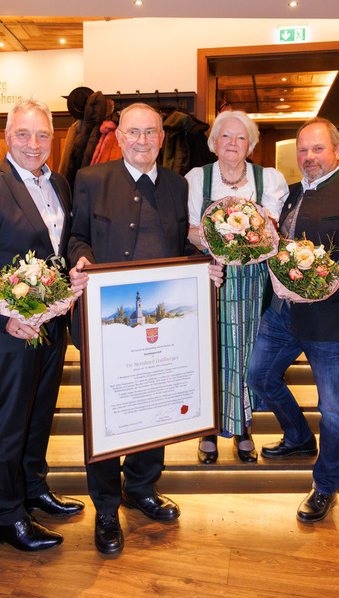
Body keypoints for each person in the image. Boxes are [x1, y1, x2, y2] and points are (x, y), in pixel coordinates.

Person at [68, 102, 222, 556]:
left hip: (158, 325)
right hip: (107, 325)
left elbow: (179, 248)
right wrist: (81, 260)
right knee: (106, 414)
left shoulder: (177, 184)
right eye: (133, 132)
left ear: (161, 138)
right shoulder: (90, 179)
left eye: (150, 132)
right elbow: (76, 237)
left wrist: (204, 268)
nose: (142, 140)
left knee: (154, 404)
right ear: (119, 137)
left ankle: (141, 488)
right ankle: (105, 508)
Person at [0, 99, 84, 552]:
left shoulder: (59, 183)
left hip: (51, 324)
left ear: (53, 139)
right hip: (8, 330)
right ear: (8, 137)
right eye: (24, 134)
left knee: (40, 413)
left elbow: (60, 247)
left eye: (42, 135)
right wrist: (2, 315)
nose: (33, 144)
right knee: (9, 422)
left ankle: (33, 489)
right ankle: (6, 517)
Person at [247, 117, 339, 522]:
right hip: (281, 314)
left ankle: (325, 486)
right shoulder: (289, 194)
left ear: (337, 150)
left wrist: (330, 284)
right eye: (303, 150)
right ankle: (299, 437)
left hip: (331, 322)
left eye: (317, 148)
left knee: (334, 410)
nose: (309, 157)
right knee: (258, 377)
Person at [186, 110, 288, 464]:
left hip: (252, 282)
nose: (232, 143)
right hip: (210, 277)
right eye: (225, 136)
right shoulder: (196, 178)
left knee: (246, 354)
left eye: (240, 137)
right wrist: (218, 242)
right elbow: (188, 229)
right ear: (214, 142)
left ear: (251, 145)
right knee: (211, 352)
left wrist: (245, 242)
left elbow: (271, 232)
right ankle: (209, 427)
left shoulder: (269, 179)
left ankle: (243, 426)